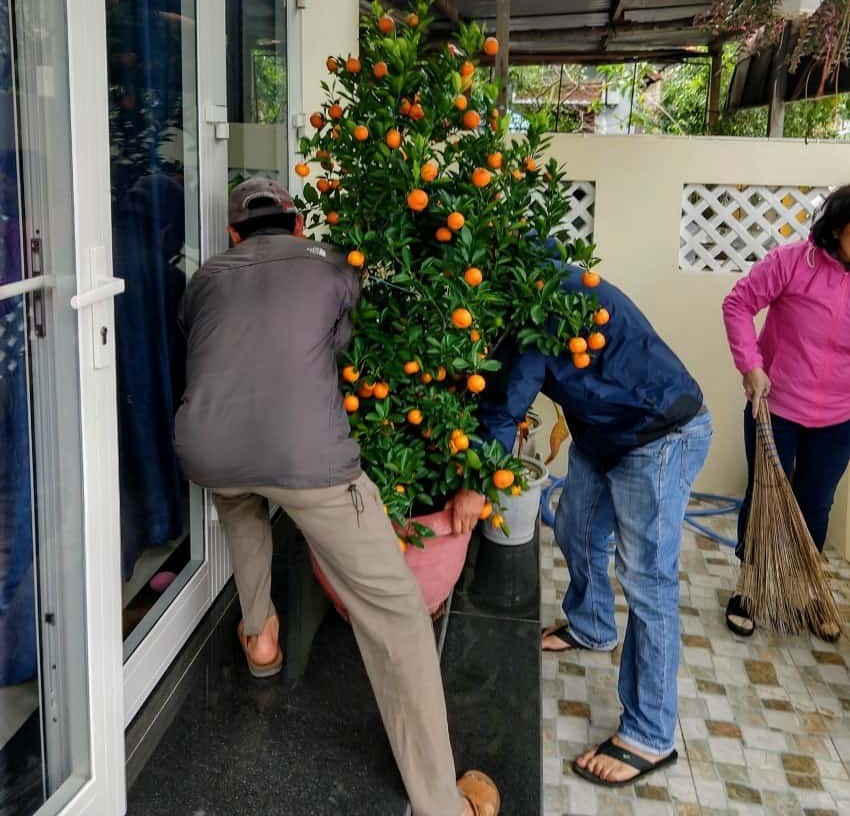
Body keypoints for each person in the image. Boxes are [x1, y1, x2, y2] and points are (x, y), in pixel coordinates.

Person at [174, 178, 500, 816]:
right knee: (396, 611)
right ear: (297, 226)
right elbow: (342, 343)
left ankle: (261, 644)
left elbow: (207, 350)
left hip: (208, 447)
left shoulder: (205, 278)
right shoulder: (330, 264)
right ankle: (440, 802)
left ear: (234, 234)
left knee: (243, 513)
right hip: (309, 458)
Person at [448, 265, 712, 788]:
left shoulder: (542, 298)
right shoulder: (526, 282)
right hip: (604, 430)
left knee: (647, 582)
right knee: (575, 526)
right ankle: (592, 623)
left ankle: (651, 734)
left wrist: (474, 487)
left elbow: (505, 401)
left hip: (660, 434)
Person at [722, 185, 850, 640]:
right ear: (837, 229)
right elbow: (738, 303)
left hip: (839, 417)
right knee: (763, 494)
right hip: (774, 404)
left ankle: (807, 590)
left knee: (816, 503)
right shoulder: (795, 262)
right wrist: (751, 366)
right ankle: (750, 586)